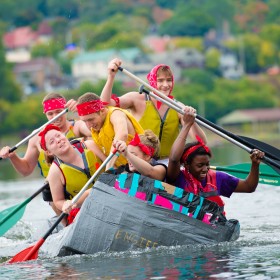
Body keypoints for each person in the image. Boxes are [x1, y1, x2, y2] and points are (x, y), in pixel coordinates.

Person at [100, 58, 207, 161]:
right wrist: (111, 76)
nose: (165, 85)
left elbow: (201, 142)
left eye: (169, 80)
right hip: (138, 160)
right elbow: (105, 104)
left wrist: (191, 120)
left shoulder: (179, 107)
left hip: (167, 164)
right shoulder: (136, 99)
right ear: (152, 82)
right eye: (160, 81)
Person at [166, 109, 265, 211]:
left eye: (207, 164)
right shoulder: (177, 177)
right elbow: (174, 159)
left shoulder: (217, 178)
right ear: (187, 164)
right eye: (200, 165)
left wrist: (255, 164)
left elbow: (249, 187)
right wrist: (186, 125)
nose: (205, 169)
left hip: (212, 224)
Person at [0, 93, 104, 178]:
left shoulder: (78, 126)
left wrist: (81, 110)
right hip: (57, 190)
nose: (55, 117)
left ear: (66, 110)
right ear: (45, 113)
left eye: (59, 112)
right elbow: (26, 170)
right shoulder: (36, 137)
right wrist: (12, 156)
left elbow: (97, 129)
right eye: (50, 114)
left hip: (85, 182)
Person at [38, 124, 104, 225]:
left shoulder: (89, 145)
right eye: (52, 142)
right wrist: (65, 204)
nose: (58, 140)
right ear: (49, 152)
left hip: (107, 191)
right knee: (48, 192)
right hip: (83, 206)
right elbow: (58, 201)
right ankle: (66, 226)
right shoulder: (54, 171)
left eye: (58, 136)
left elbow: (112, 165)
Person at [76, 92, 144, 168]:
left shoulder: (115, 114)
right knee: (88, 143)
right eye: (84, 121)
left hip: (141, 166)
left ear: (102, 111)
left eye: (91, 119)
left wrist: (109, 167)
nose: (89, 125)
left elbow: (122, 135)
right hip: (123, 169)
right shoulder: (95, 126)